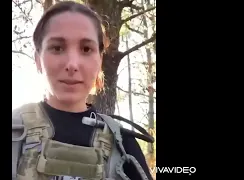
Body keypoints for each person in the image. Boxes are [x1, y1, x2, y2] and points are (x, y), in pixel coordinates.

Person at [12, 1, 154, 180]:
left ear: (100, 59)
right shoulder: (15, 131)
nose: (72, 64)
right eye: (57, 48)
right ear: (38, 59)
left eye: (86, 49)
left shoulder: (123, 146)